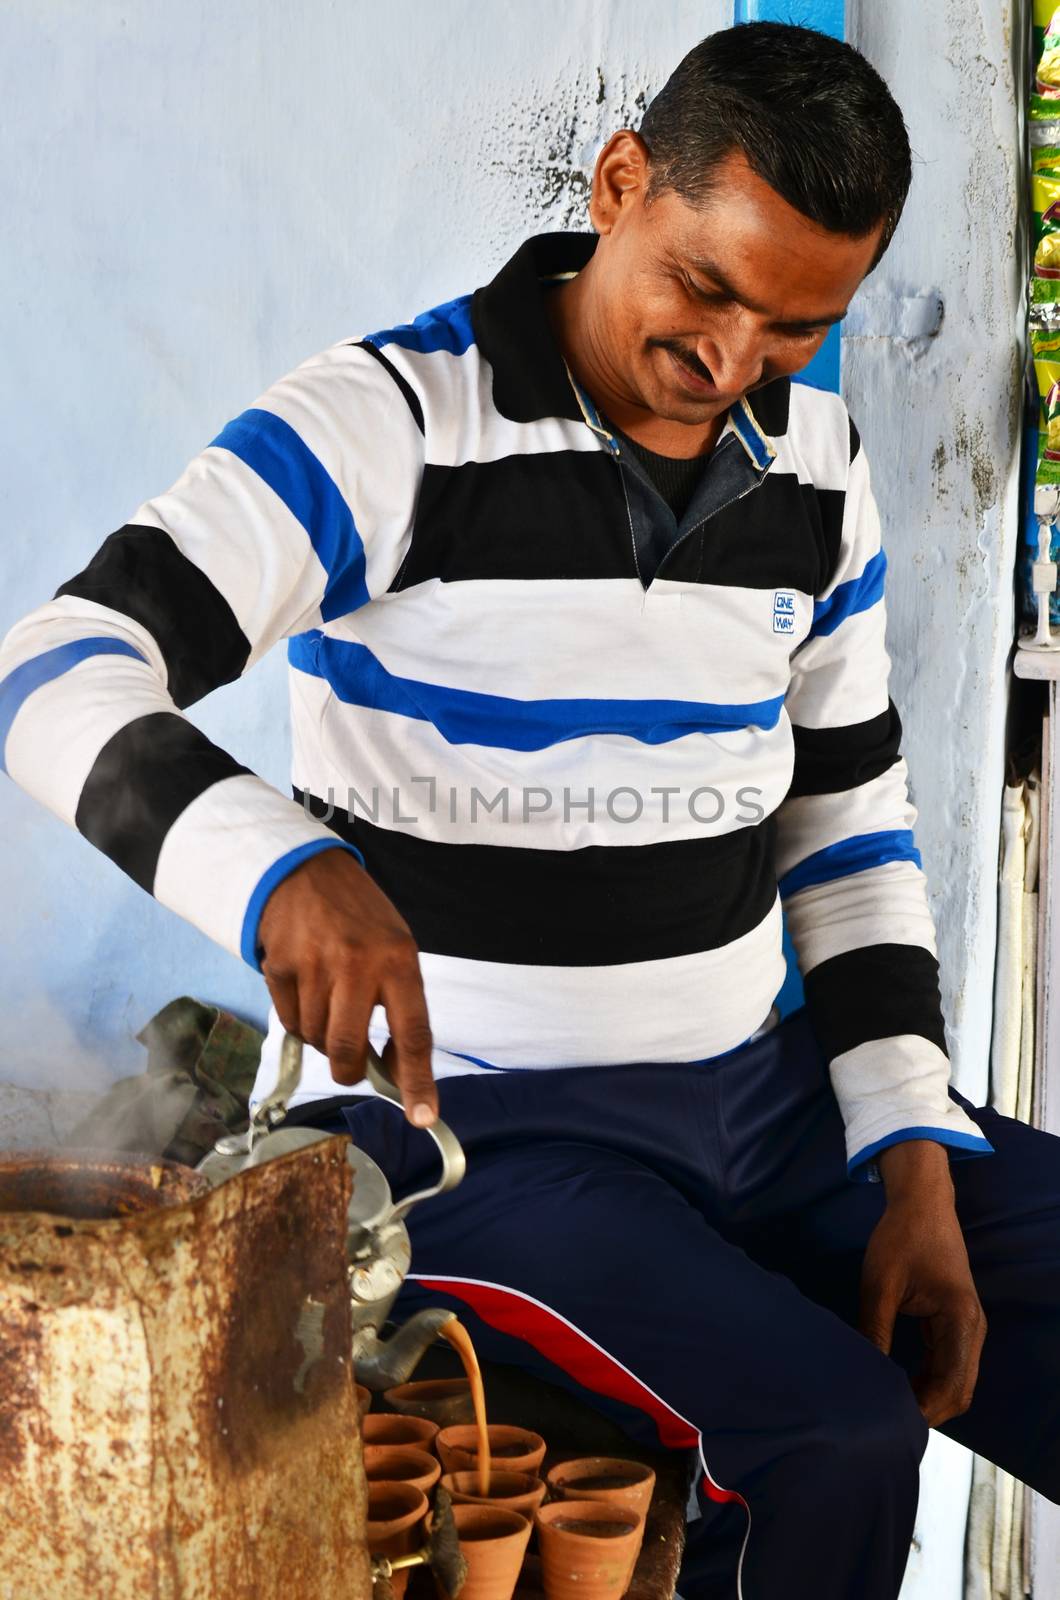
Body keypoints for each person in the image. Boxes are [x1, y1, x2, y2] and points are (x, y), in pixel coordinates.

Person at [1, 21, 1056, 1599]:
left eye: (795, 328)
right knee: (830, 1438)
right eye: (705, 290)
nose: (733, 365)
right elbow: (57, 668)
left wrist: (909, 1155)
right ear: (622, 182)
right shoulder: (391, 424)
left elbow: (849, 827)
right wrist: (278, 867)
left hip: (772, 1107)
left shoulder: (821, 473)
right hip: (477, 1133)